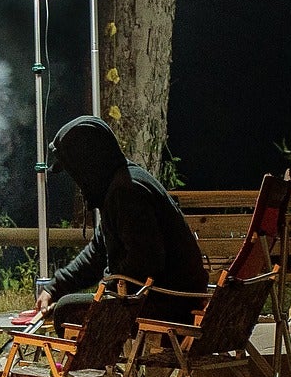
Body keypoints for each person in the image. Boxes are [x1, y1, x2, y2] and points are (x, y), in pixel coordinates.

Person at [33, 115, 205, 324]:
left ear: (87, 163)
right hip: (160, 296)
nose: (77, 181)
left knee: (67, 311)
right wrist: (55, 287)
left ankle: (98, 357)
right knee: (68, 304)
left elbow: (145, 262)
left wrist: (106, 290)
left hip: (170, 302)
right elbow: (97, 253)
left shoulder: (126, 192)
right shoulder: (119, 185)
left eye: (74, 170)